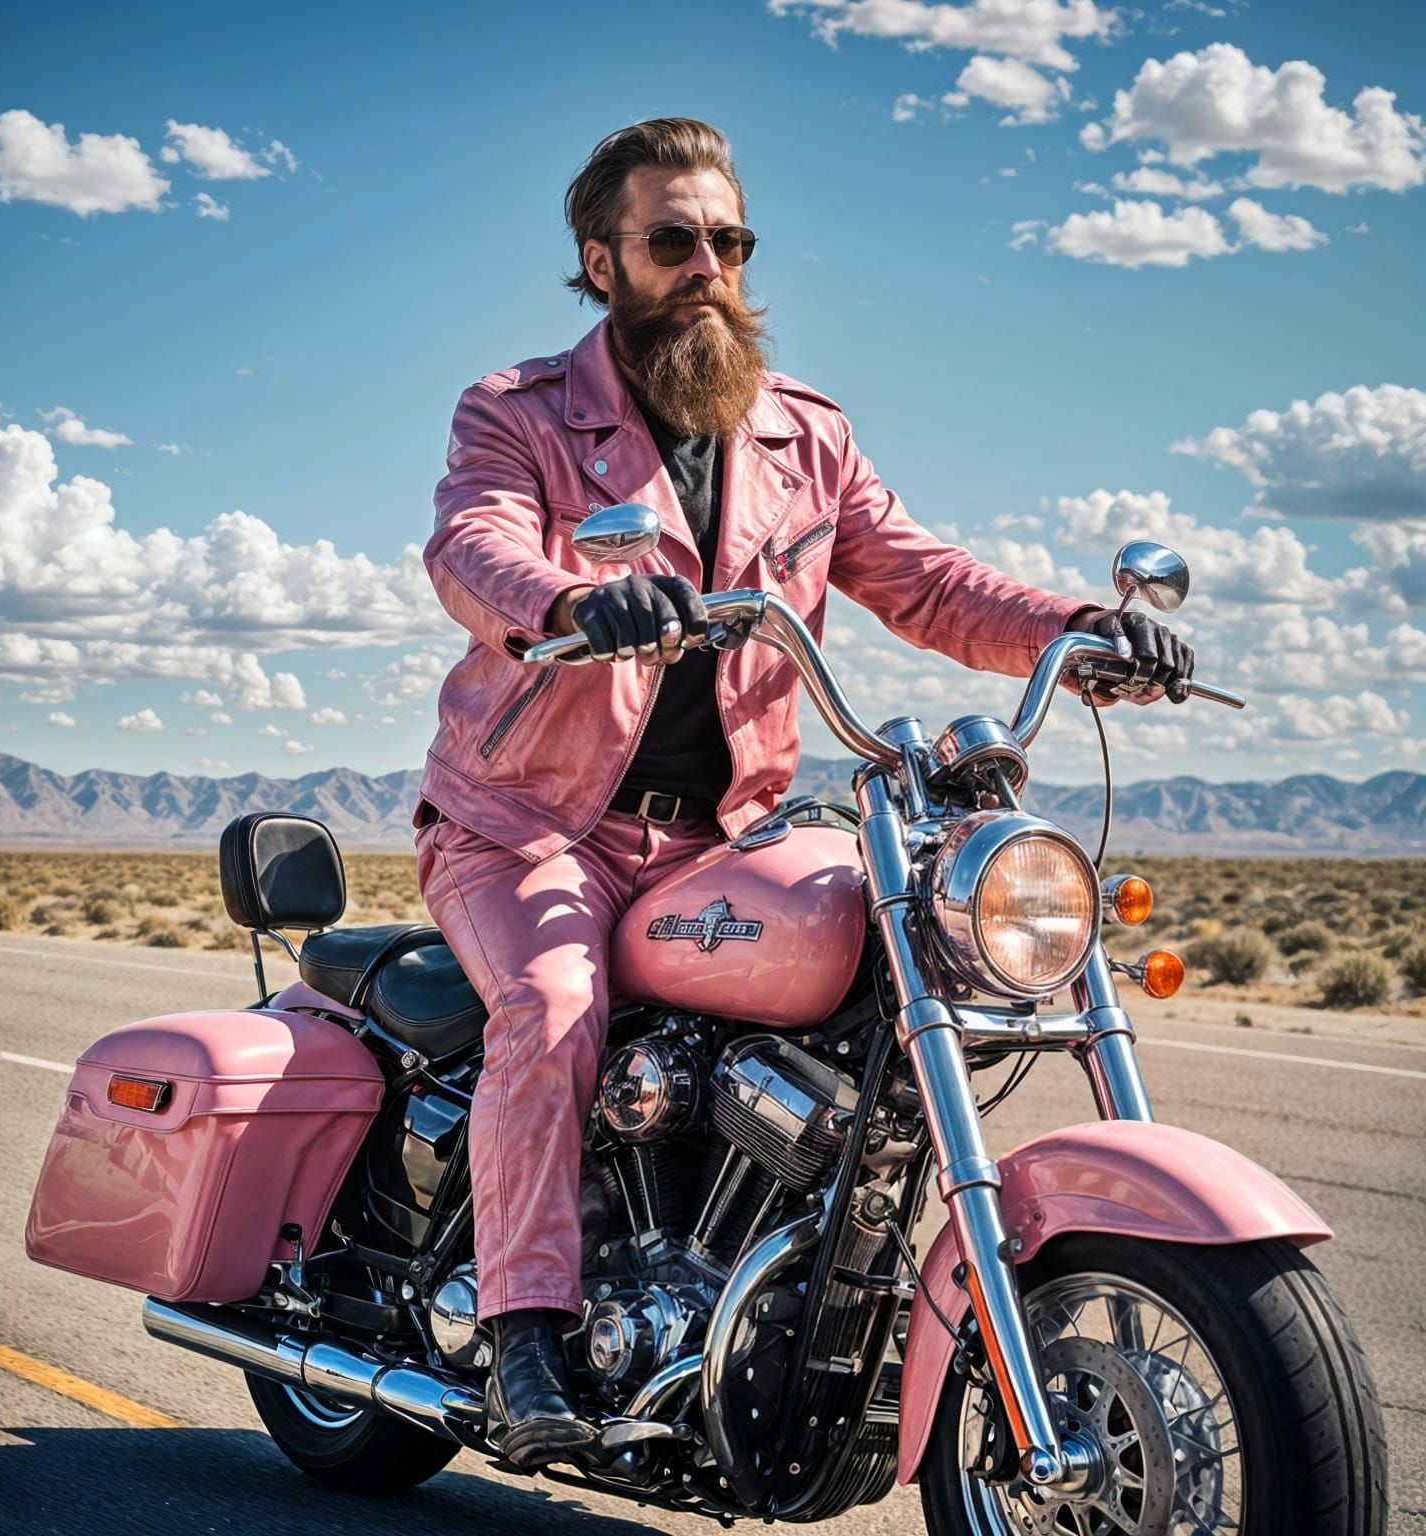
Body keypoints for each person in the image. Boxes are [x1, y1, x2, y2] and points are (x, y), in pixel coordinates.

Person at [412, 117, 1193, 1468]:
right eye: (673, 240)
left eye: (729, 239)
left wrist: (1077, 631)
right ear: (603, 262)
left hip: (721, 837)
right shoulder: (521, 411)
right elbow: (471, 542)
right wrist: (570, 603)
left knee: (883, 953)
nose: (707, 265)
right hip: (531, 827)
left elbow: (927, 578)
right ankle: (526, 1327)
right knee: (549, 1007)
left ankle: (797, 1287)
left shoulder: (801, 435)